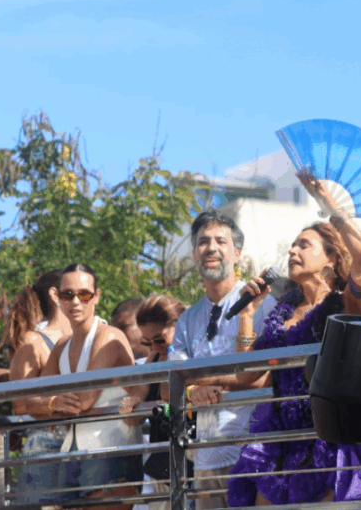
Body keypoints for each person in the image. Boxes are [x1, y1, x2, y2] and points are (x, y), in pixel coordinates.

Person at [226, 171, 361, 505]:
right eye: (292, 245)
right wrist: (246, 315)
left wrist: (330, 206)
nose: (292, 250)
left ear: (330, 258)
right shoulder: (281, 312)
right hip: (283, 437)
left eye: (304, 244)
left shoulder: (342, 303)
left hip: (332, 436)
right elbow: (246, 375)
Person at [166, 210, 277, 510]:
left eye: (220, 241)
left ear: (237, 254)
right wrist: (191, 391)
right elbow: (170, 380)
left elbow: (270, 375)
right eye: (203, 242)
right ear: (194, 254)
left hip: (255, 447)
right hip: (206, 454)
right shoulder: (188, 319)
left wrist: (198, 379)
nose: (211, 248)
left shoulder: (263, 305)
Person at [33, 263, 142, 510]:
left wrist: (51, 406)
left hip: (111, 449)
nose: (75, 301)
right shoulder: (61, 345)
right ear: (58, 298)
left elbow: (83, 400)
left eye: (84, 294)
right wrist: (52, 403)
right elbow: (28, 402)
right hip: (72, 452)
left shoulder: (109, 336)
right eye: (67, 294)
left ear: (97, 297)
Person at [5, 270, 72, 506]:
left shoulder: (90, 335)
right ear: (55, 294)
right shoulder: (34, 341)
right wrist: (55, 404)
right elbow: (20, 404)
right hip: (47, 445)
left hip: (83, 443)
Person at [130, 295, 187, 510]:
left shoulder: (192, 352)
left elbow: (169, 393)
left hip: (192, 455)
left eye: (159, 339)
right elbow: (139, 391)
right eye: (147, 342)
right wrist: (132, 401)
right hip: (163, 460)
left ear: (180, 324)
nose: (154, 346)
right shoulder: (154, 357)